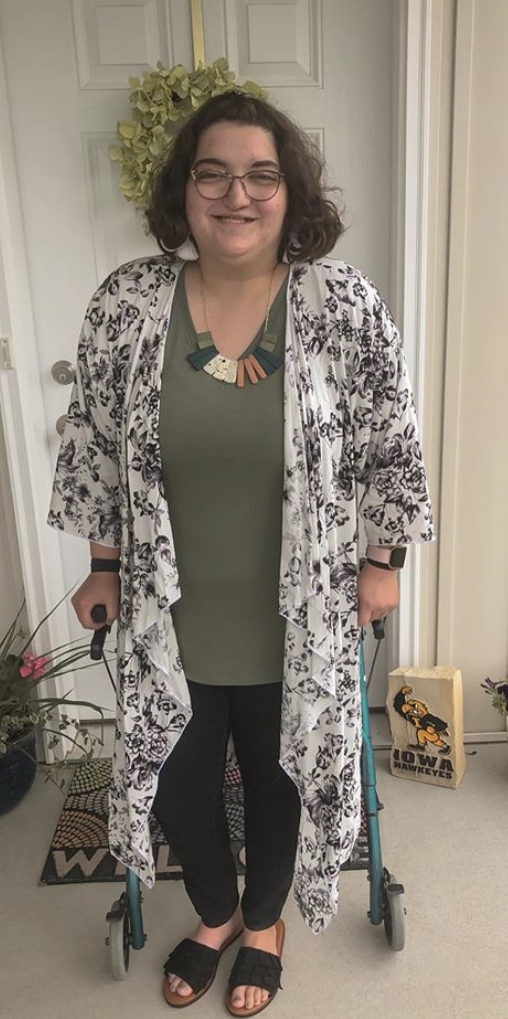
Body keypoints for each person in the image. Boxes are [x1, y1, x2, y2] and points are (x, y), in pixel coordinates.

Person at [47, 92, 436, 1015]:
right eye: (213, 174)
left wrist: (383, 562)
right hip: (167, 614)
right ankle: (215, 911)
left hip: (298, 612)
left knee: (280, 776)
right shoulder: (128, 303)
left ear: (289, 190)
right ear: (183, 192)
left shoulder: (342, 305)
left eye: (261, 175)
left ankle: (263, 922)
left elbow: (392, 439)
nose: (237, 195)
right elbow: (94, 441)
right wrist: (103, 563)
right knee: (178, 784)